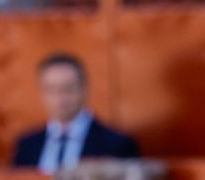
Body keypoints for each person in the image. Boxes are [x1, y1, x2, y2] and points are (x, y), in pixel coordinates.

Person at [11, 53, 139, 173]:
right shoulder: (27, 146)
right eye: (51, 89)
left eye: (68, 88)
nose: (60, 97)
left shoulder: (117, 145)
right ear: (42, 93)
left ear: (84, 89)